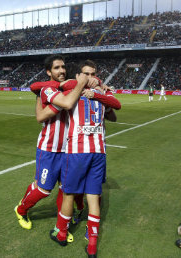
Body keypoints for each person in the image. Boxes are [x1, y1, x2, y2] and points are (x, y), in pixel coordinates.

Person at [49, 60, 121, 258]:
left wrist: (96, 88)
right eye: (86, 74)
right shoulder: (91, 90)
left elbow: (116, 106)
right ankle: (92, 245)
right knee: (93, 197)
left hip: (79, 152)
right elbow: (113, 105)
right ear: (80, 75)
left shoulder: (84, 92)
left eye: (93, 73)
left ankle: (61, 233)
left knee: (70, 194)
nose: (90, 77)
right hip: (97, 152)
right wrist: (98, 86)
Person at [14, 55, 88, 243]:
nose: (61, 71)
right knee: (44, 189)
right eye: (56, 68)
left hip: (69, 149)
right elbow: (66, 103)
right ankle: (21, 210)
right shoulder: (47, 89)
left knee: (66, 190)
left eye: (63, 67)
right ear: (49, 72)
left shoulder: (68, 87)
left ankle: (61, 226)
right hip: (49, 149)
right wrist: (80, 84)